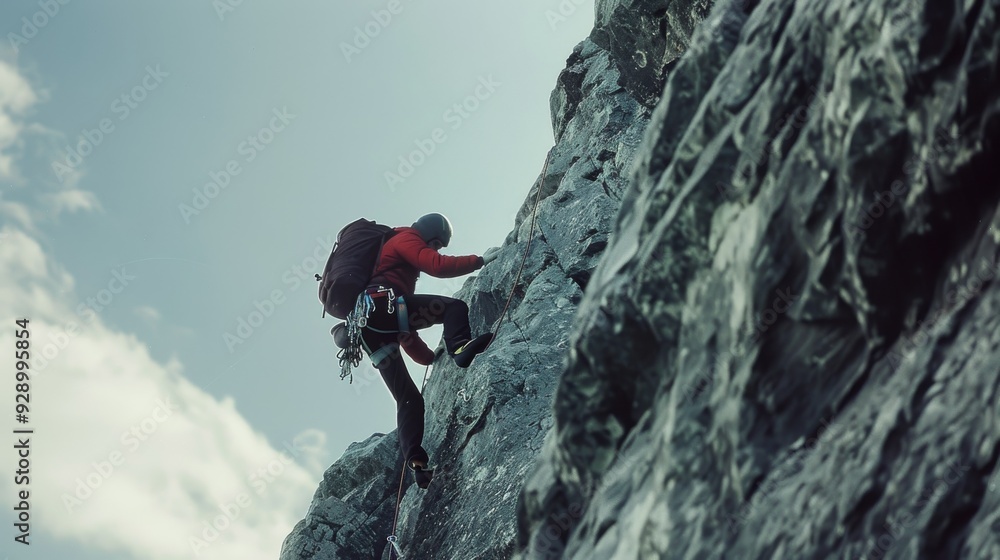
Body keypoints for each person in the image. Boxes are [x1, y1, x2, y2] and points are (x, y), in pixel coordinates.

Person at [356, 213, 497, 488]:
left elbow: (405, 335)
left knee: (408, 399)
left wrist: (432, 358)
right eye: (435, 244)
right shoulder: (406, 238)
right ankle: (460, 347)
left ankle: (416, 463)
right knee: (454, 308)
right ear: (429, 234)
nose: (434, 249)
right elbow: (436, 266)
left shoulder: (387, 264)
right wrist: (479, 261)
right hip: (384, 305)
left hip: (368, 330)